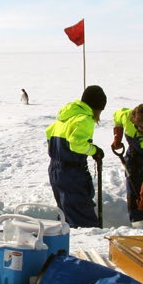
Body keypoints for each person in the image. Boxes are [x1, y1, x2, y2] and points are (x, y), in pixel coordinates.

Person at [45, 84, 107, 228]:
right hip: (72, 171)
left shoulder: (63, 119)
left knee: (66, 213)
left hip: (56, 171)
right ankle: (86, 245)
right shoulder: (84, 119)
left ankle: (64, 243)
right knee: (82, 218)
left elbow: (49, 134)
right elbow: (76, 144)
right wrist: (94, 150)